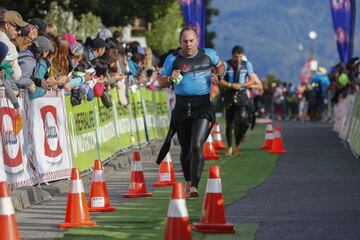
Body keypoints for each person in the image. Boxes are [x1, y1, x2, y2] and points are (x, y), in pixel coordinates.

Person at [156, 27, 225, 197]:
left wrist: (219, 76)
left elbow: (221, 67)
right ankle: (188, 179)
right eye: (185, 41)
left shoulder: (209, 54)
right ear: (180, 42)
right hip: (182, 107)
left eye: (191, 41)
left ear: (197, 40)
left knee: (196, 145)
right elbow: (160, 81)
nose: (188, 44)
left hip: (202, 106)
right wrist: (170, 78)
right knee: (185, 150)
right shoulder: (172, 59)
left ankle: (194, 185)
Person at [219, 45, 257, 156]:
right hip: (229, 94)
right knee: (229, 123)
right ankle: (230, 147)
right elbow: (219, 80)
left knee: (243, 121)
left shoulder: (247, 64)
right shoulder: (226, 65)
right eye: (236, 57)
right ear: (232, 56)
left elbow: (252, 80)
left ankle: (238, 143)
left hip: (241, 95)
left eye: (240, 57)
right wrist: (231, 85)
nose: (238, 60)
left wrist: (241, 85)